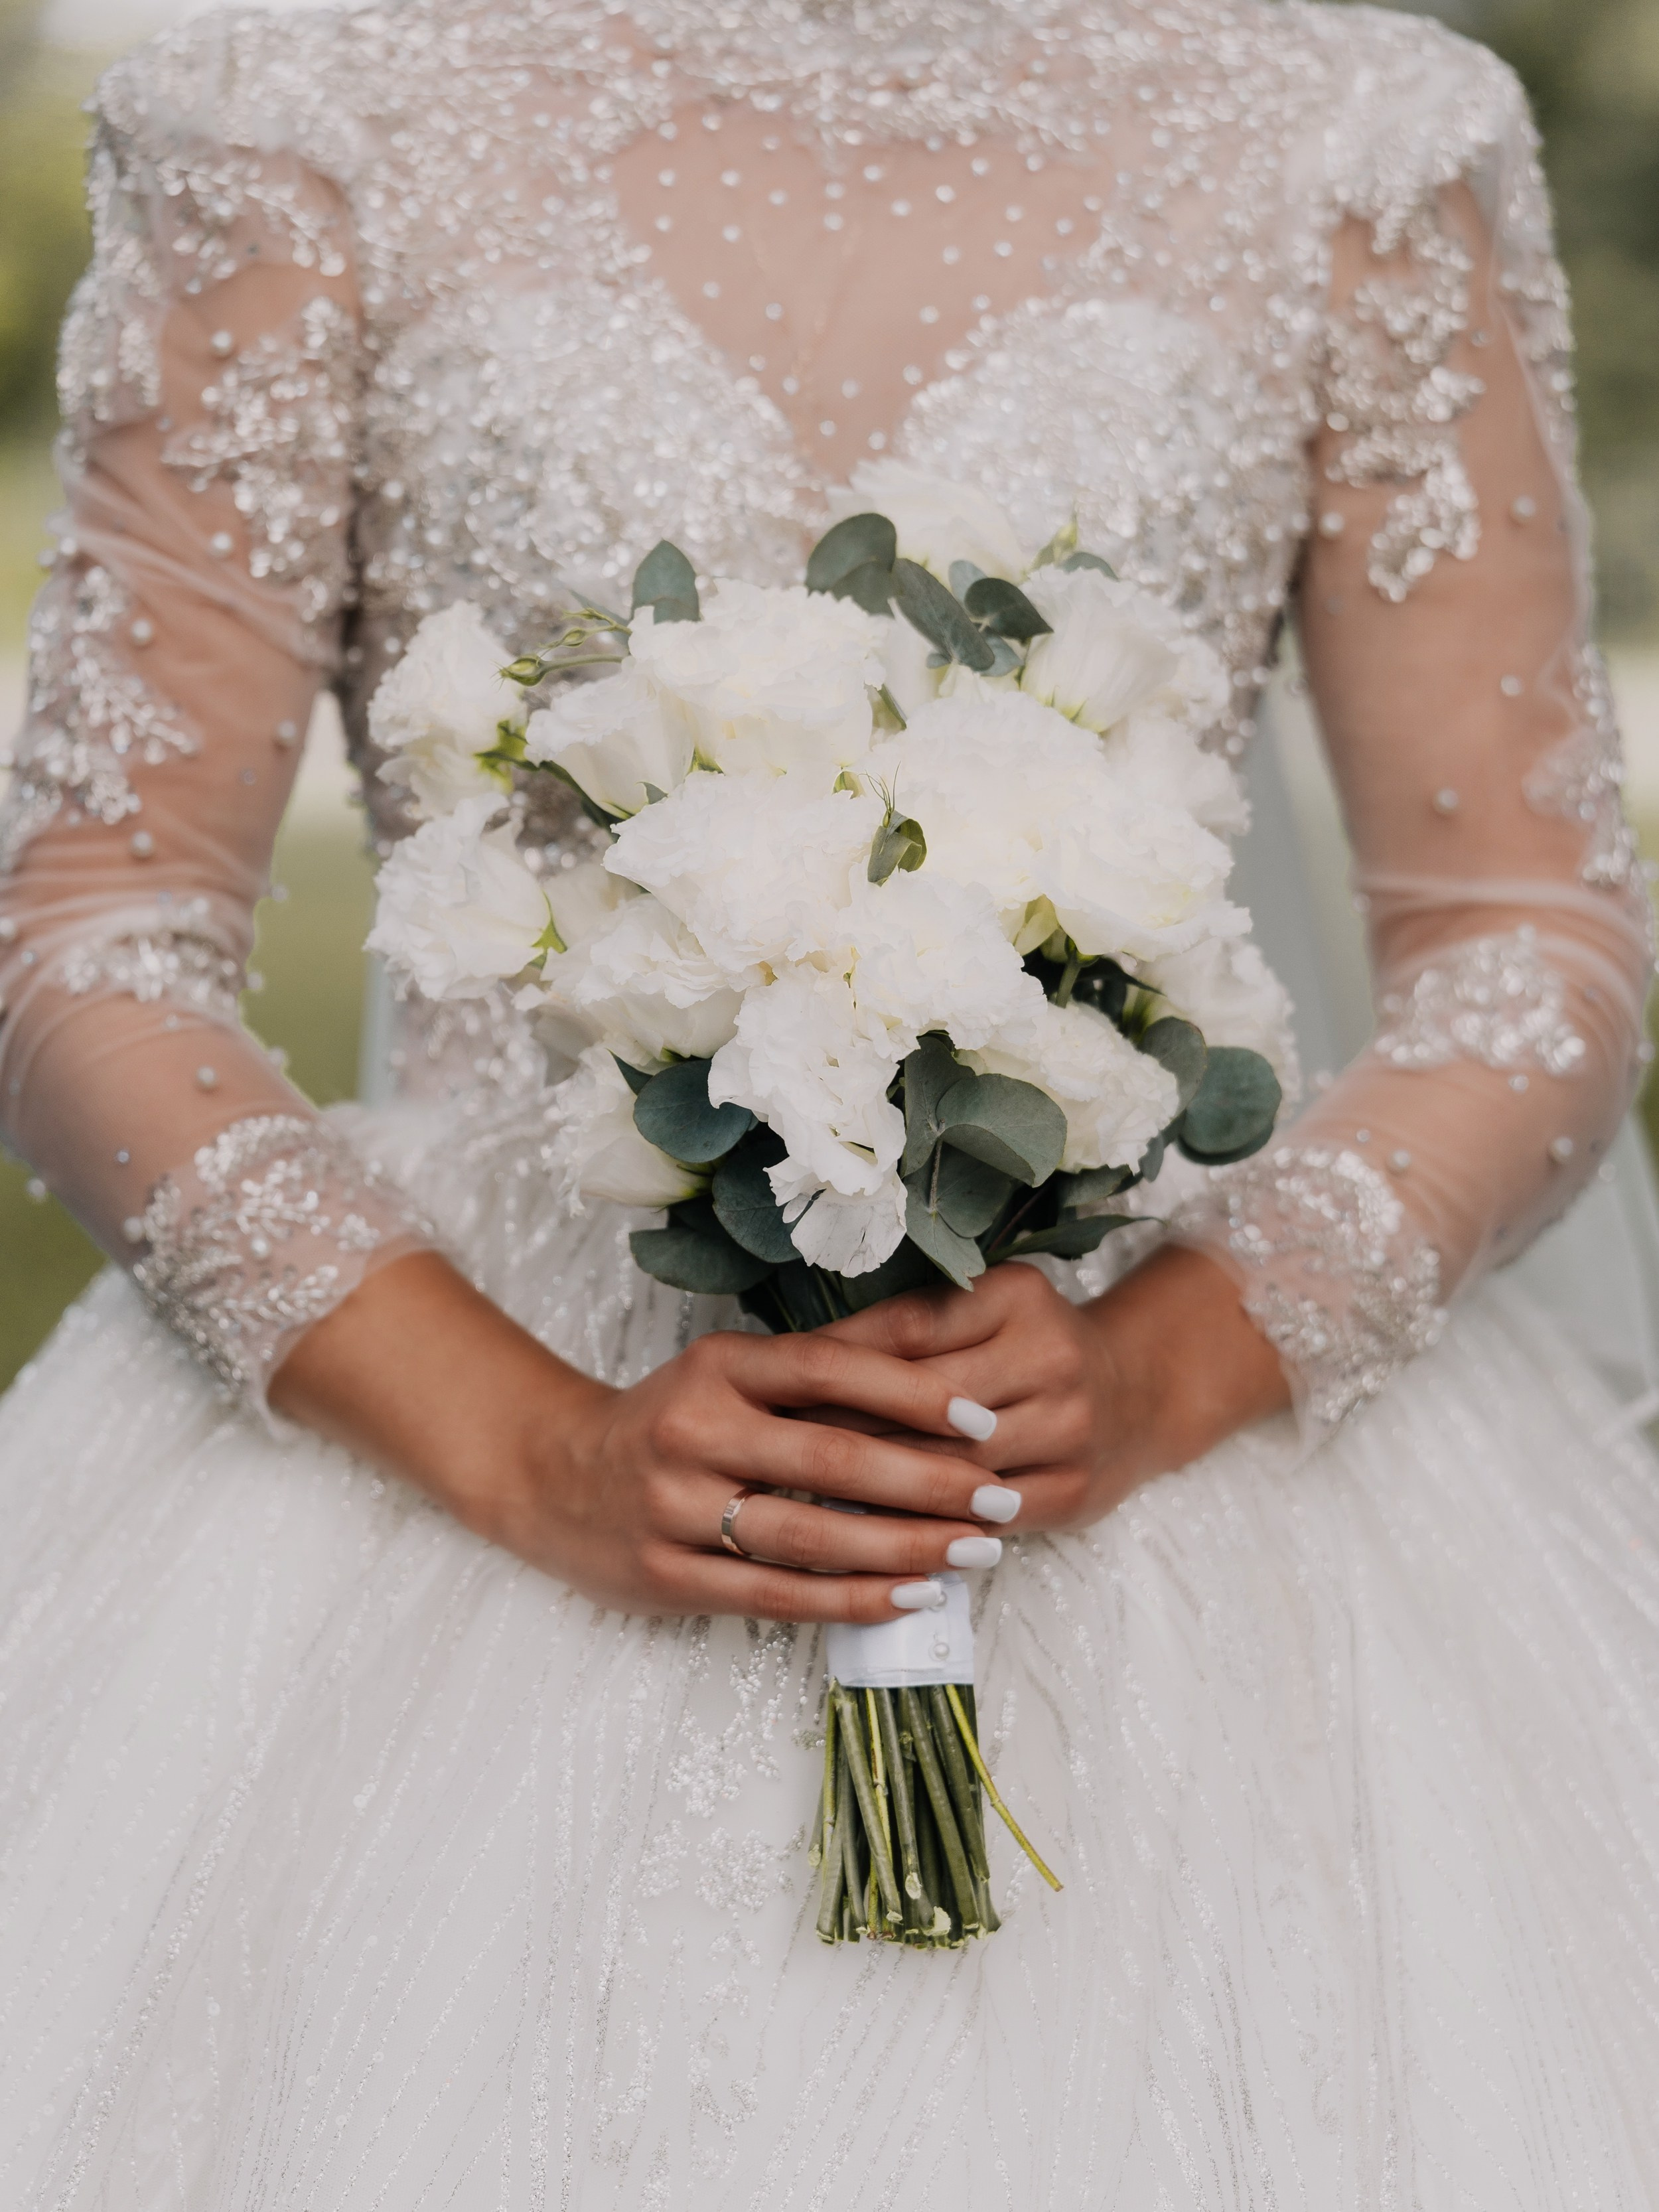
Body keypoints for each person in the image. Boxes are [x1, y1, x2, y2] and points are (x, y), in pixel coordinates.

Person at [3, 0, 1658, 2199]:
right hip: (459, 1408)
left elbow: (1527, 934)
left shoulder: (1357, 131)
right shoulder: (292, 112)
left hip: (1153, 1403)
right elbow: (93, 924)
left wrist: (1170, 1367)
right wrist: (532, 1441)